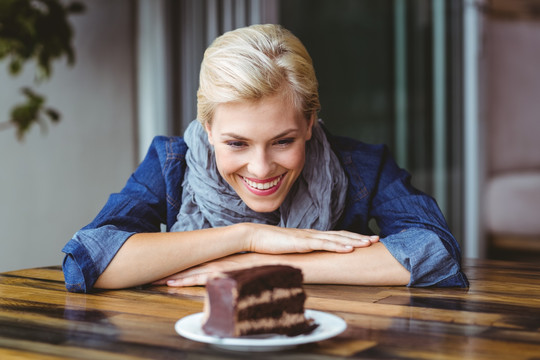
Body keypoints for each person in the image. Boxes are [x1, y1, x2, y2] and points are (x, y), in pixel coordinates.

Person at [62, 24, 468, 293]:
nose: (260, 168)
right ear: (208, 129)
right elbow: (89, 260)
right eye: (236, 143)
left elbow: (434, 252)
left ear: (310, 121)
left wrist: (257, 266)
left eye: (283, 141)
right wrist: (247, 236)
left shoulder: (360, 165)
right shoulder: (172, 162)